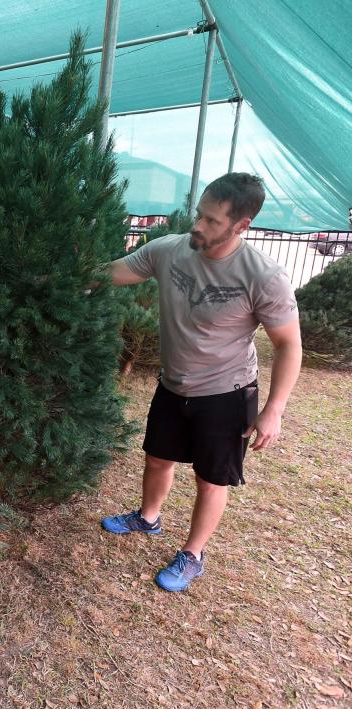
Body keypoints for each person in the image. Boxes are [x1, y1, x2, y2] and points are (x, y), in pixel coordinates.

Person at [101, 173, 302, 592]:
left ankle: (193, 554)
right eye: (199, 214)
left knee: (211, 480)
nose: (199, 226)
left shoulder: (264, 277)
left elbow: (287, 345)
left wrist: (274, 410)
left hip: (227, 394)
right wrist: (57, 278)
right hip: (173, 385)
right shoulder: (170, 250)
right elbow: (114, 272)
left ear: (241, 225)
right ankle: (148, 517)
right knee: (157, 458)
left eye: (212, 221)